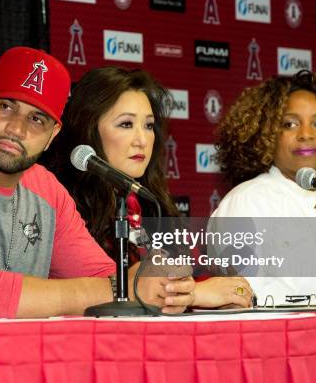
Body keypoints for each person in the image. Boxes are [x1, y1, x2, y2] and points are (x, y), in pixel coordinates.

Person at [0, 47, 195, 318]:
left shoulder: (45, 188)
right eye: (6, 106)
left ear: (53, 135)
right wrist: (124, 289)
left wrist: (166, 286)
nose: (16, 128)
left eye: (37, 119)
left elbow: (104, 275)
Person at [43, 66, 254, 309]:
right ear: (88, 130)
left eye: (149, 126)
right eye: (125, 124)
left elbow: (199, 276)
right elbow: (115, 291)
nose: (142, 140)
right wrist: (195, 294)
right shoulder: (63, 206)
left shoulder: (151, 204)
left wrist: (229, 293)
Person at [210, 70, 316, 302]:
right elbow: (237, 304)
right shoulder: (248, 201)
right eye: (290, 124)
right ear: (267, 134)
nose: (306, 134)